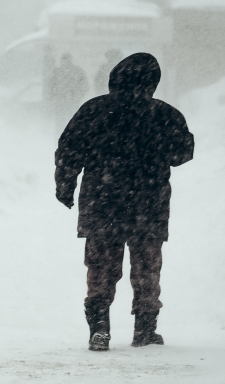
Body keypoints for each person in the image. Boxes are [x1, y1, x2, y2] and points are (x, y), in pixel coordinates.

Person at [54, 53, 194, 351]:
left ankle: (100, 328)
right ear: (154, 82)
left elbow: (69, 150)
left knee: (101, 268)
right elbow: (183, 153)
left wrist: (65, 186)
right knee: (147, 268)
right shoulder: (165, 115)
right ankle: (145, 330)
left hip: (101, 202)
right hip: (149, 204)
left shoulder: (93, 110)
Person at [47, 53, 89, 128]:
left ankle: (72, 136)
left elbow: (85, 85)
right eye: (63, 61)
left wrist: (78, 95)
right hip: (60, 102)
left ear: (70, 60)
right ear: (61, 61)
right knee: (60, 121)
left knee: (73, 120)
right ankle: (59, 135)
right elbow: (51, 86)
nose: (65, 62)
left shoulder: (77, 71)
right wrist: (54, 97)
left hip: (73, 101)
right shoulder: (56, 72)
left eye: (67, 60)